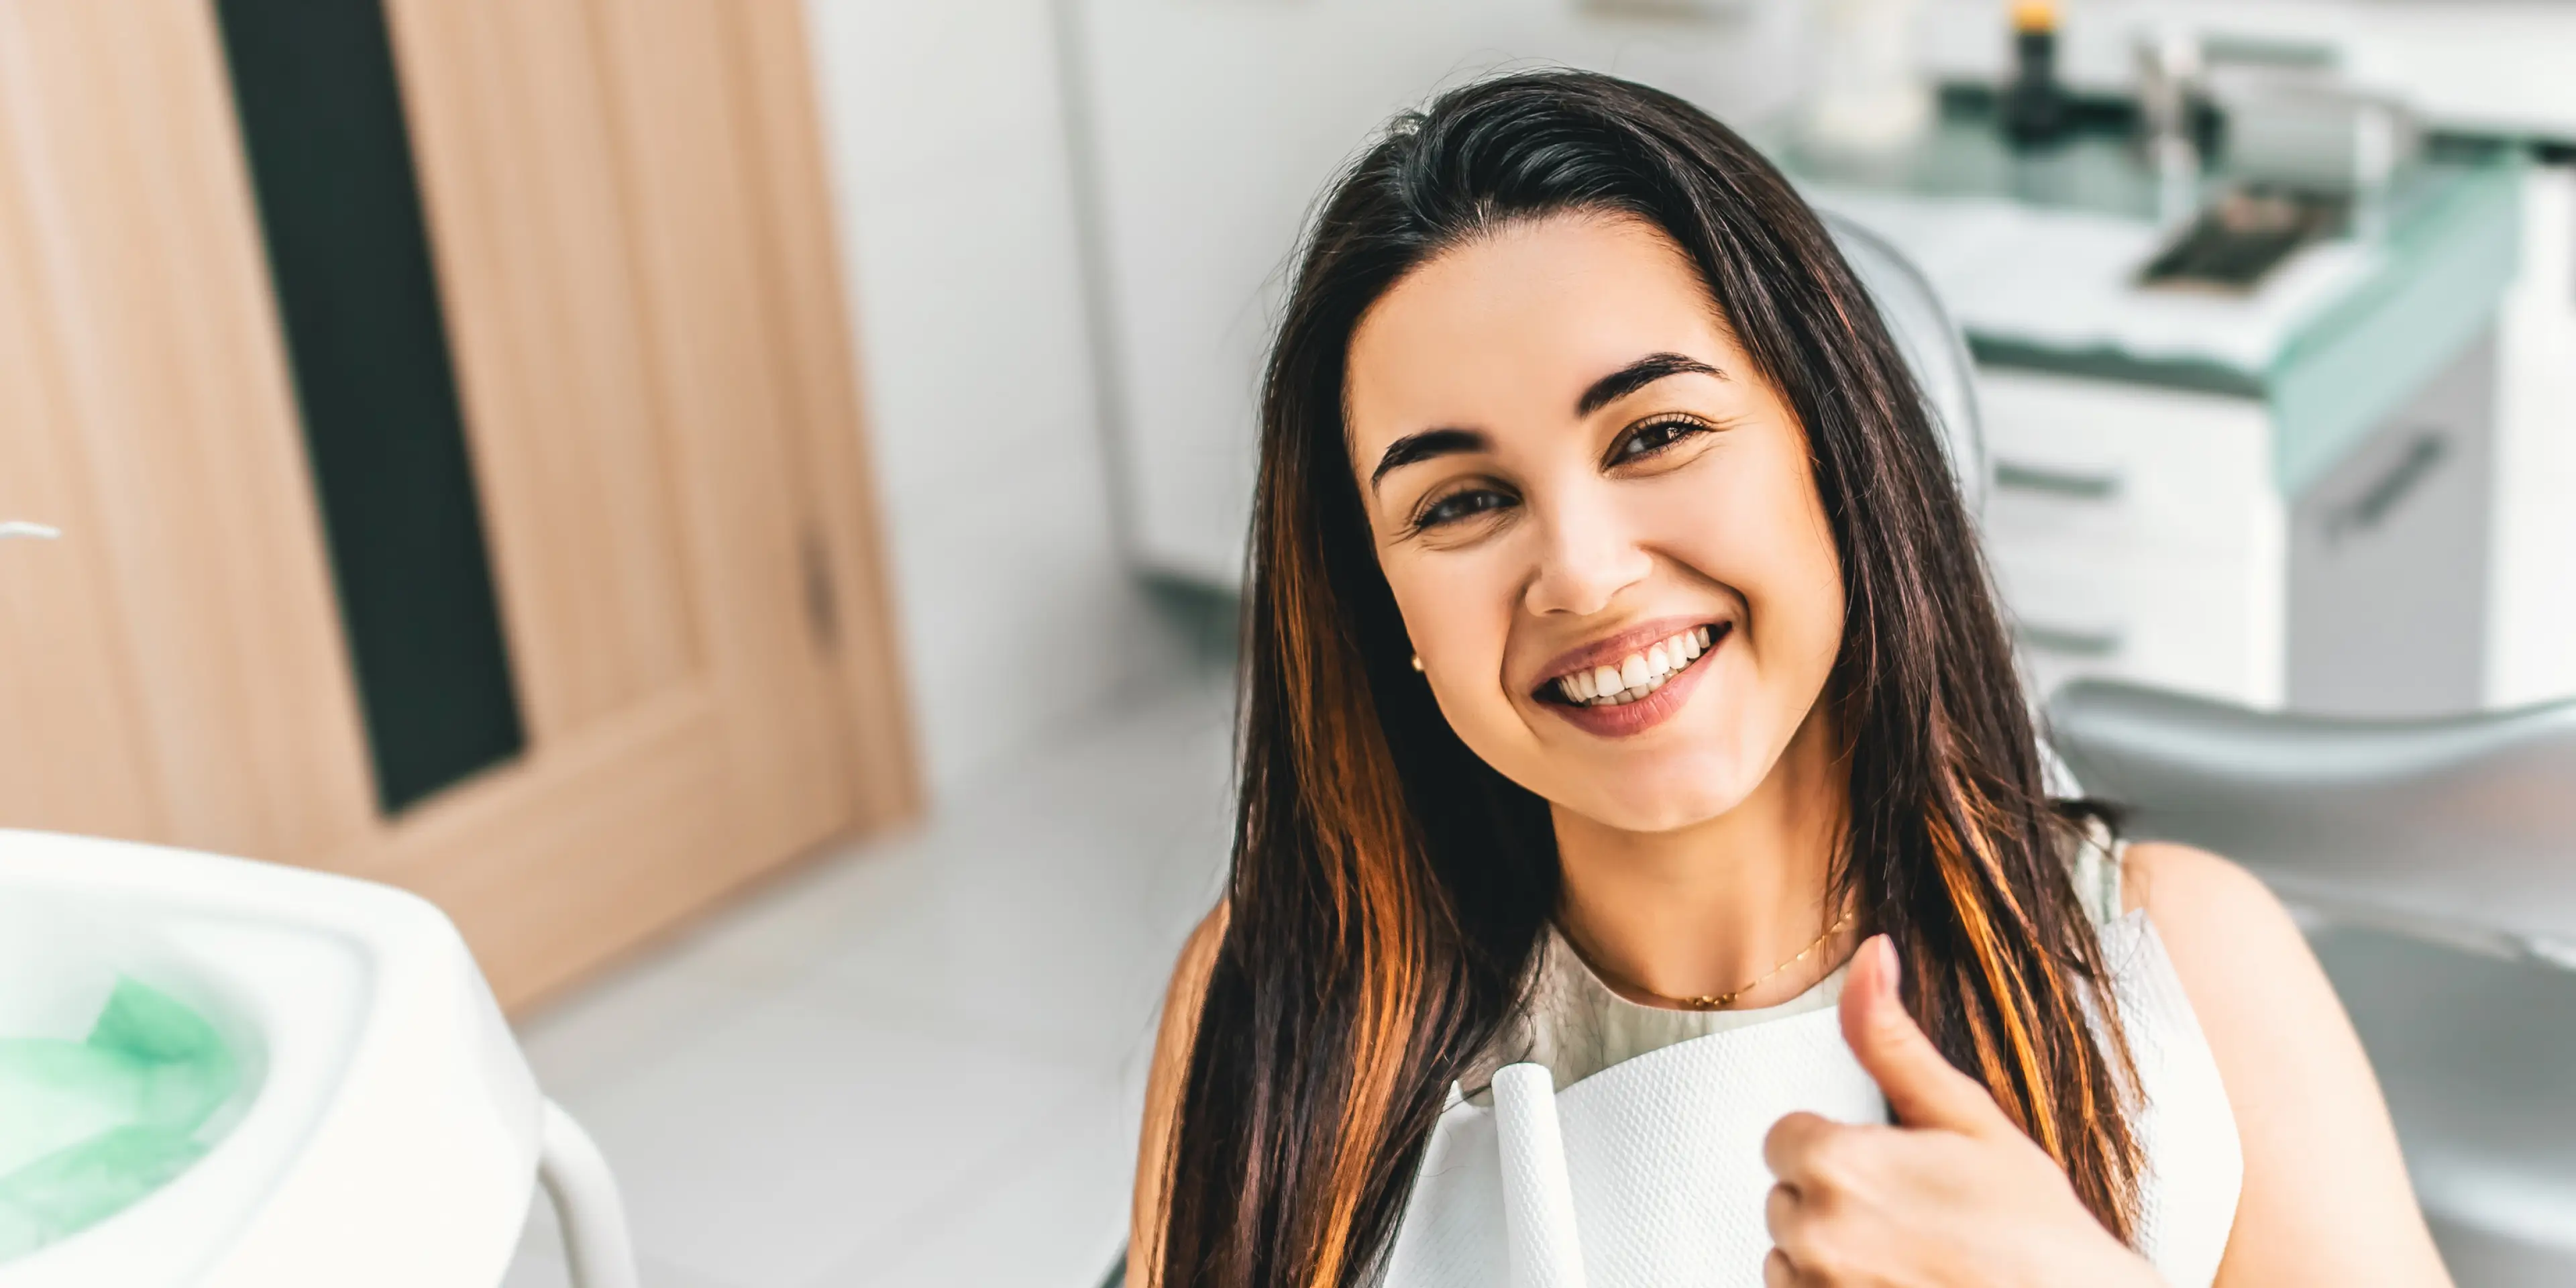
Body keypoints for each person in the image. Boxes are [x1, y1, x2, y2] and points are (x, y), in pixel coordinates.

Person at [1127, 70, 2448, 1287]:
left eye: (1656, 433)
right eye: (1465, 501)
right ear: (1384, 607)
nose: (1582, 575)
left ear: (1837, 457)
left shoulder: (2183, 966)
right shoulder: (1288, 1001)